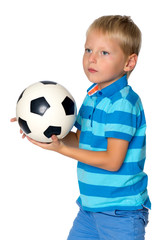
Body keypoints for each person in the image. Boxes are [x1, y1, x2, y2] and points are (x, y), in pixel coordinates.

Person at [11, 15, 151, 240]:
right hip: (89, 209)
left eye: (104, 53)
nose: (92, 59)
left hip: (121, 212)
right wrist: (40, 129)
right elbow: (82, 140)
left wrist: (62, 150)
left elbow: (113, 161)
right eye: (88, 50)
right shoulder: (93, 96)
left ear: (129, 62)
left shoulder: (123, 103)